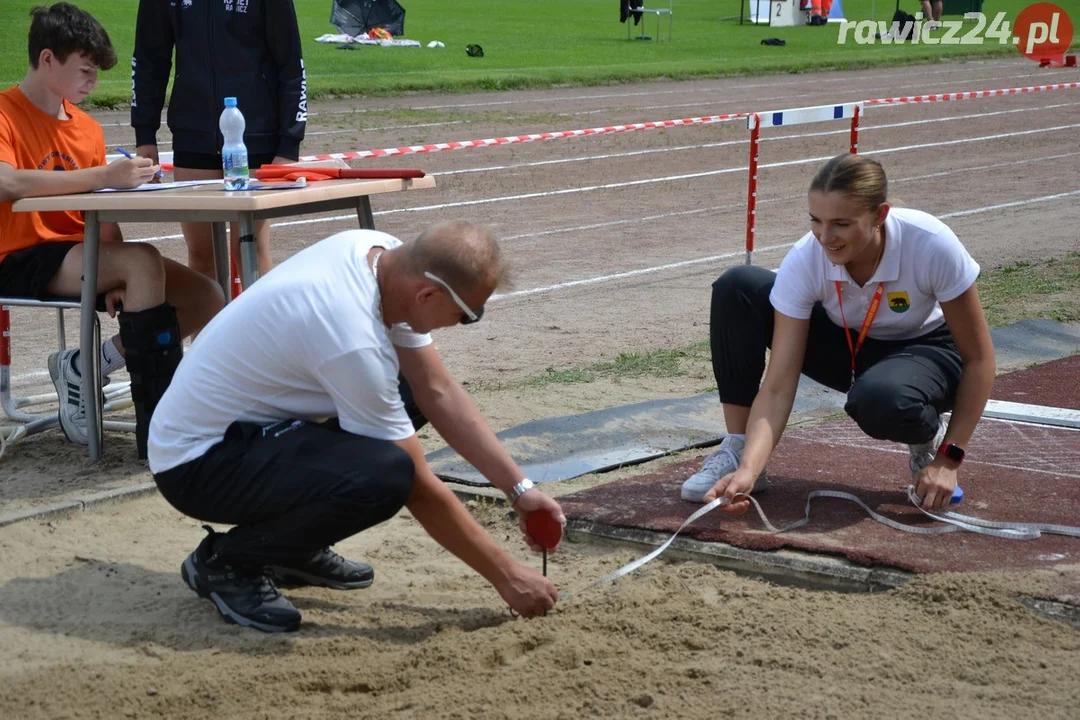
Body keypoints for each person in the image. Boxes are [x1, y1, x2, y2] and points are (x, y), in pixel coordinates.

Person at [148, 220, 564, 632]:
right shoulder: (352, 335)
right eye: (465, 315)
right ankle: (229, 560)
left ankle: (291, 547)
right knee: (387, 476)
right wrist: (507, 575)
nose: (464, 323)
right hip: (196, 464)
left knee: (404, 394)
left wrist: (519, 490)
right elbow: (417, 486)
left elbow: (436, 390)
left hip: (249, 430)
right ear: (428, 294)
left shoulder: (376, 253)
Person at [681, 154, 995, 514]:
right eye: (816, 220)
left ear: (880, 215)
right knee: (738, 287)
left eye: (841, 224)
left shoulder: (930, 243)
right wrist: (749, 470)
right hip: (850, 344)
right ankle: (739, 450)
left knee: (880, 399)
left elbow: (980, 359)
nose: (825, 237)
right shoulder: (807, 257)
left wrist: (949, 459)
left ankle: (925, 436)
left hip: (927, 351)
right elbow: (780, 382)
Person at [0, 2, 224, 456]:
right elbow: (6, 182)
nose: (94, 82)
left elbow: (100, 218)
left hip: (78, 254)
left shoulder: (85, 128)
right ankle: (159, 432)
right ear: (47, 60)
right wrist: (103, 176)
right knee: (143, 262)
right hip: (19, 254)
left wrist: (116, 274)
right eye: (85, 70)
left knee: (207, 296)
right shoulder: (4, 112)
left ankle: (87, 366)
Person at [131, 0, 307, 280]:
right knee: (202, 256)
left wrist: (289, 144)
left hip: (254, 138)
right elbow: (149, 58)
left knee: (250, 251)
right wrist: (144, 135)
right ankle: (210, 325)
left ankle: (260, 324)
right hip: (192, 136)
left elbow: (291, 65)